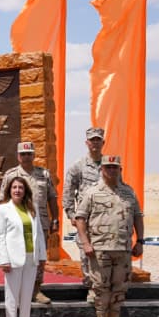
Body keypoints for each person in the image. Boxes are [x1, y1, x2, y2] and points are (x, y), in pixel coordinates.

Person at [74, 155, 143, 317]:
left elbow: (137, 216)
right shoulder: (91, 192)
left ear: (120, 170)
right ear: (101, 170)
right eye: (108, 167)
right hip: (99, 249)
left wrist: (140, 241)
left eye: (115, 167)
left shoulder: (128, 192)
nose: (111, 170)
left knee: (120, 287)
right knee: (101, 288)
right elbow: (80, 219)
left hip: (123, 249)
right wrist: (85, 243)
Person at [0, 141, 59, 305]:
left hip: (40, 222)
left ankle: (36, 290)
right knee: (17, 256)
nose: (26, 157)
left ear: (33, 155)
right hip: (17, 224)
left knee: (38, 258)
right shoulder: (11, 175)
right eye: (23, 154)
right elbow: (3, 200)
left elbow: (52, 197)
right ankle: (18, 290)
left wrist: (55, 219)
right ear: (18, 156)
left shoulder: (43, 174)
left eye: (29, 154)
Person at [0, 174, 47, 317]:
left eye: (21, 187)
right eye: (14, 187)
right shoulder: (1, 209)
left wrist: (42, 255)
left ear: (25, 191)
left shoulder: (32, 208)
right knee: (12, 293)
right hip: (12, 257)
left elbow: (39, 233)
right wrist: (3, 258)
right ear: (9, 190)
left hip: (31, 256)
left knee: (27, 292)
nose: (17, 190)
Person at [65, 127, 107, 302]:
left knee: (105, 255)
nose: (95, 143)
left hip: (105, 219)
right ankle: (91, 288)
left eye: (98, 140)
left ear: (103, 142)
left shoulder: (109, 165)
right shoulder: (78, 166)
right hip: (86, 220)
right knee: (86, 254)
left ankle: (103, 288)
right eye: (92, 140)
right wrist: (71, 214)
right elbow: (68, 191)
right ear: (86, 143)